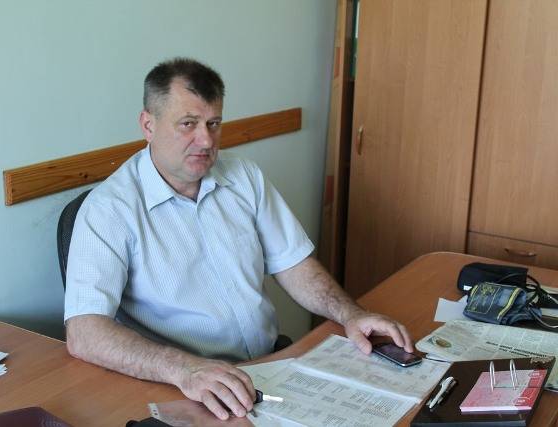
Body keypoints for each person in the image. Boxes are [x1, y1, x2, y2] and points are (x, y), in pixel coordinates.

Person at [64, 57, 414, 420]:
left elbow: (294, 265)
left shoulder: (243, 176)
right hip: (182, 385)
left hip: (267, 369)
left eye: (214, 124)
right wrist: (186, 370)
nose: (205, 140)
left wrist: (351, 314)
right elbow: (85, 333)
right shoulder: (109, 209)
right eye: (188, 124)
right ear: (148, 125)